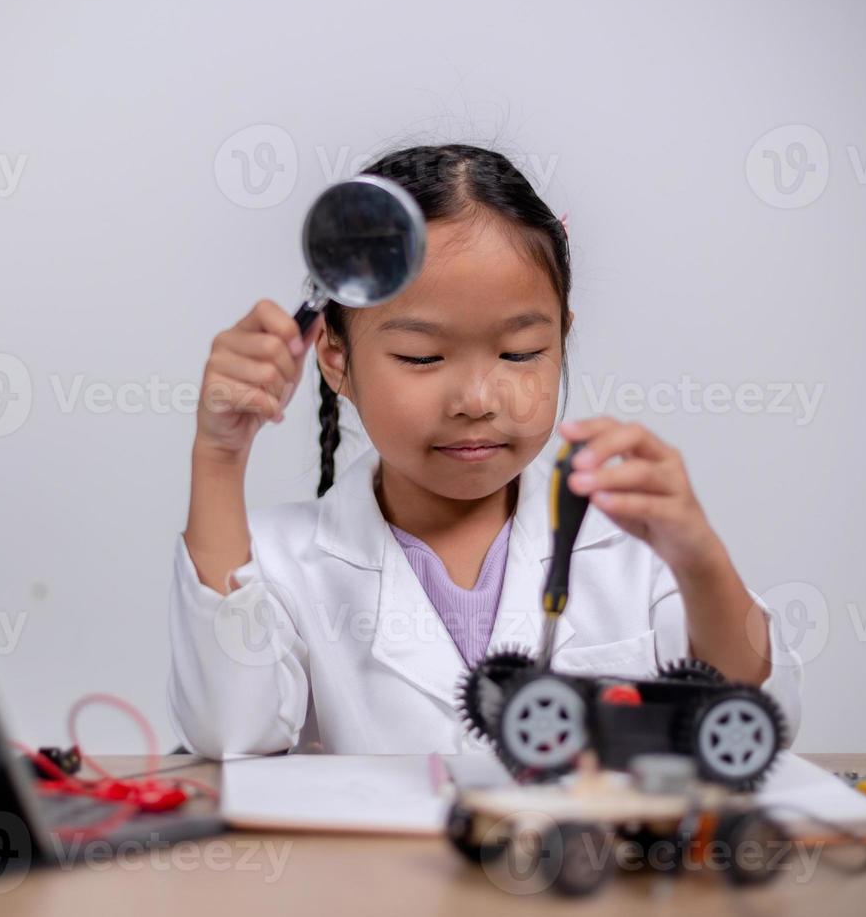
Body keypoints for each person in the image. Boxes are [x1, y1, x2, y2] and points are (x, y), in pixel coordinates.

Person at [167, 143, 801, 758]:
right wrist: (219, 457)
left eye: (521, 353)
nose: (475, 398)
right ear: (336, 358)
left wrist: (700, 558)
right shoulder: (282, 561)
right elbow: (229, 734)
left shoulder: (634, 546)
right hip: (377, 873)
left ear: (561, 339)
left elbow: (755, 722)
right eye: (422, 356)